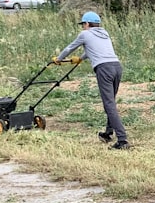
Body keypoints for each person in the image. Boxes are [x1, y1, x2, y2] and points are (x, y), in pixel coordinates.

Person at [54, 11, 129, 150]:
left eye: (83, 24)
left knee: (109, 105)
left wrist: (58, 59)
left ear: (87, 24)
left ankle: (122, 140)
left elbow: (70, 48)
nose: (83, 27)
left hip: (104, 69)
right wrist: (81, 59)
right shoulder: (104, 33)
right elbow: (92, 50)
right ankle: (107, 133)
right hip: (117, 67)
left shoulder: (85, 34)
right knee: (111, 101)